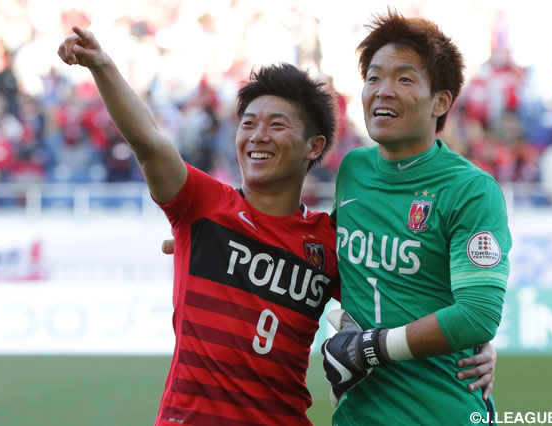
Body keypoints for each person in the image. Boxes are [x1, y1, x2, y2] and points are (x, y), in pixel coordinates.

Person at [58, 24, 496, 426]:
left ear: (314, 146)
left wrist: (472, 339)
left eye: (276, 124)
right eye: (248, 124)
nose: (257, 135)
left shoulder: (328, 241)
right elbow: (150, 143)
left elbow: (395, 290)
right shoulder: (204, 207)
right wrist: (103, 66)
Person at [321, 10, 512, 426]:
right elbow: (333, 265)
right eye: (374, 78)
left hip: (442, 412)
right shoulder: (353, 169)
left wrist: (372, 348)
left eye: (404, 79)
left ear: (440, 101)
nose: (383, 91)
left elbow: (477, 315)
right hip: (356, 416)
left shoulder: (471, 190)